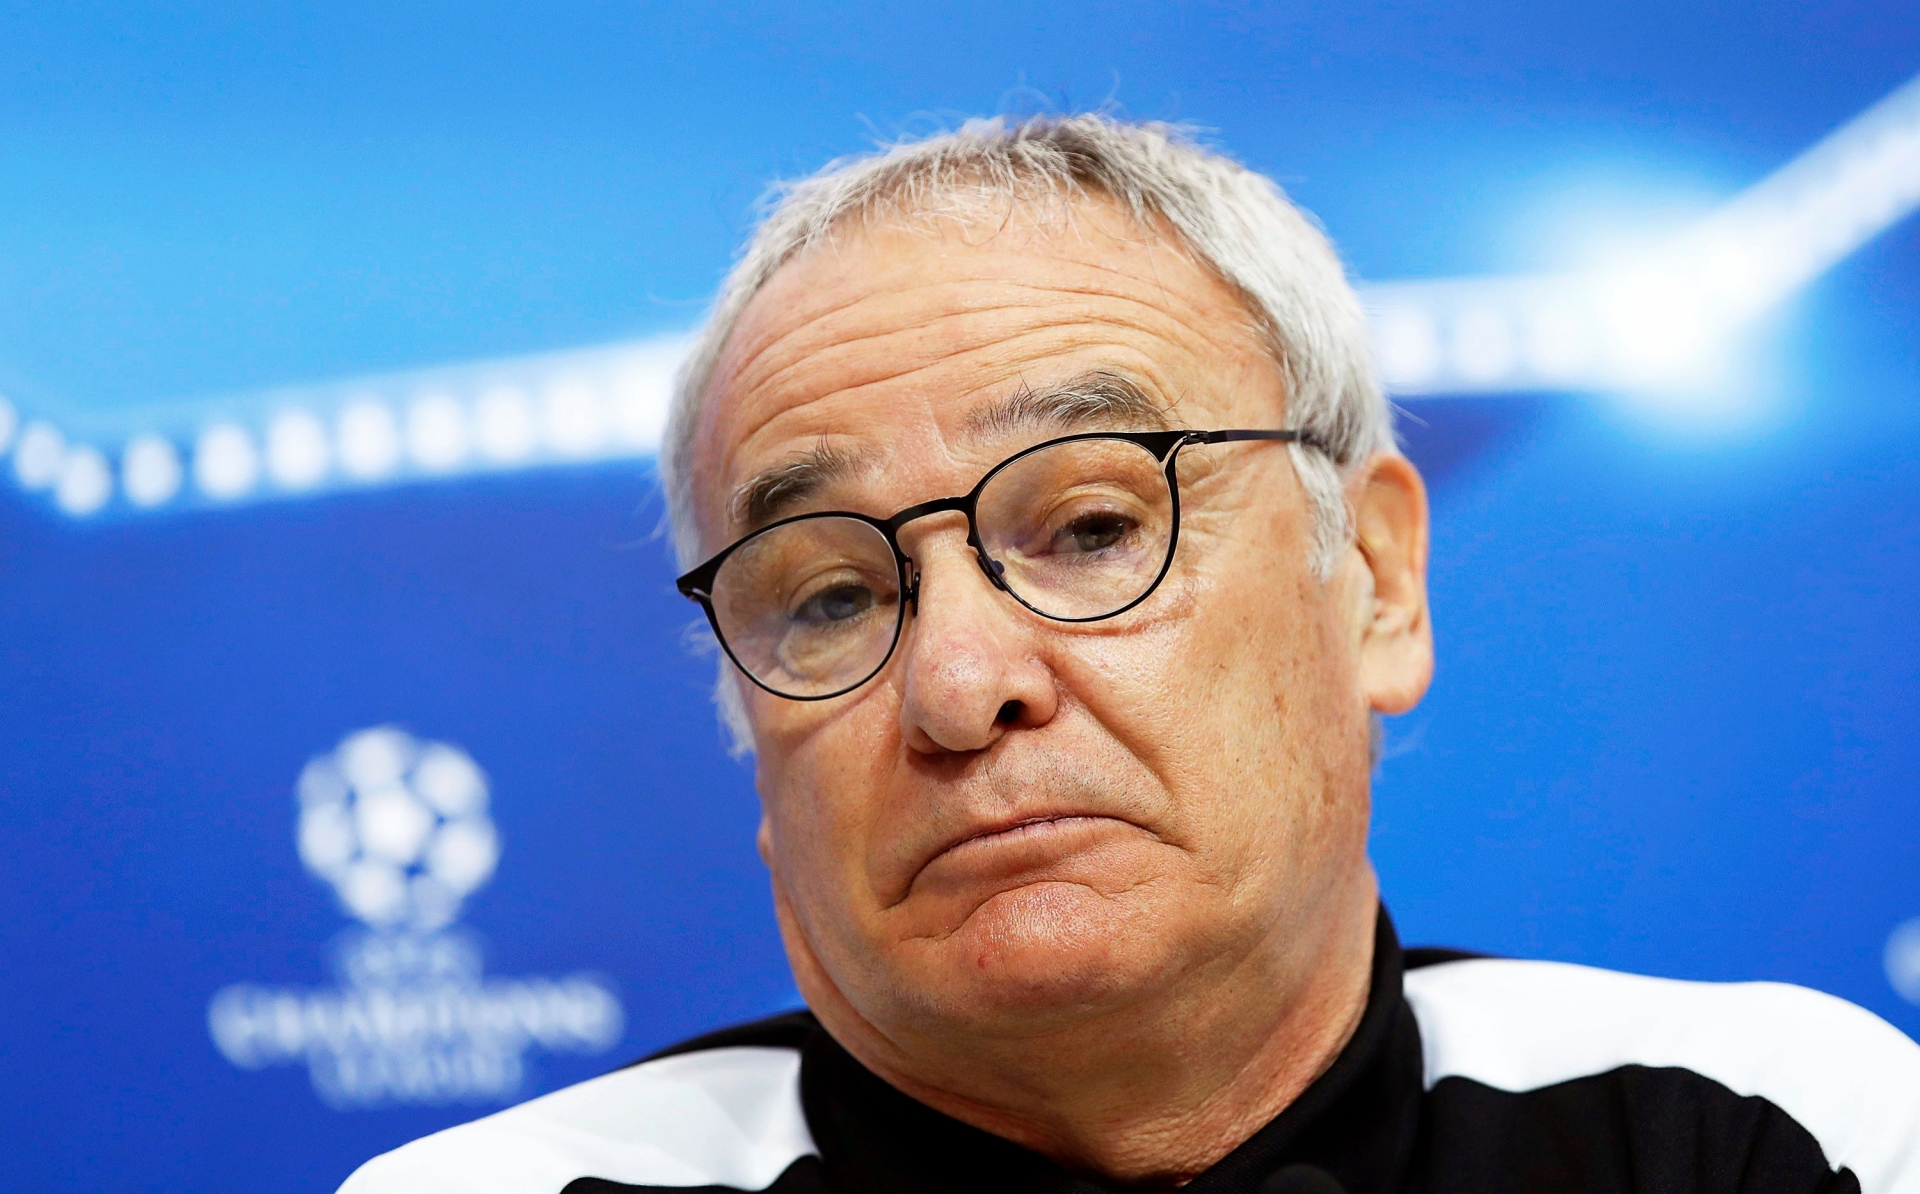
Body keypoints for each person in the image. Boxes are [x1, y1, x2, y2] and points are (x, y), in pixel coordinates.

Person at [340, 115, 1920, 1194]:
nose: (960, 686)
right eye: (828, 598)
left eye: (1093, 527)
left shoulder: (1778, 1133)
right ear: (751, 735)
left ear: (1372, 579)